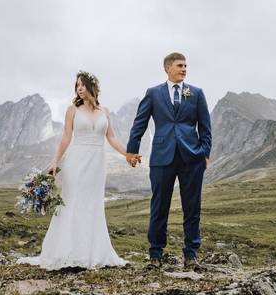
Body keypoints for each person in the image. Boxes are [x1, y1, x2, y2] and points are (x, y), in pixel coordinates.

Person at [17, 71, 133, 270]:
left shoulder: (104, 111)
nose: (79, 88)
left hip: (97, 163)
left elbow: (111, 138)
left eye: (82, 84)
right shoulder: (72, 110)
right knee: (73, 203)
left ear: (92, 87)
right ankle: (67, 252)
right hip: (77, 161)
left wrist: (128, 154)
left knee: (93, 204)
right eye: (77, 85)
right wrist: (55, 161)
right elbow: (65, 138)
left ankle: (92, 252)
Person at [127, 52, 211, 271]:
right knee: (159, 206)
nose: (184, 69)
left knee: (192, 207)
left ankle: (191, 255)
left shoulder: (196, 93)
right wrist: (131, 150)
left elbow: (205, 126)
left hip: (192, 157)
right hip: (162, 156)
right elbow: (140, 123)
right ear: (167, 68)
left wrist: (204, 153)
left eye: (186, 66)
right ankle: (155, 254)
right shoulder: (153, 93)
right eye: (180, 65)